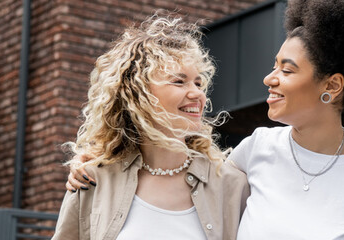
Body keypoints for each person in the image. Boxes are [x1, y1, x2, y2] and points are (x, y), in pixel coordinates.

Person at [67, 0, 344, 238]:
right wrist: (97, 156)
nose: (270, 78)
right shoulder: (256, 151)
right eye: (273, 66)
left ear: (331, 85)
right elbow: (178, 165)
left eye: (287, 70)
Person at [53, 13, 248, 240]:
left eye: (198, 83)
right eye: (179, 81)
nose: (198, 94)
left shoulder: (231, 185)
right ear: (138, 95)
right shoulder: (93, 180)